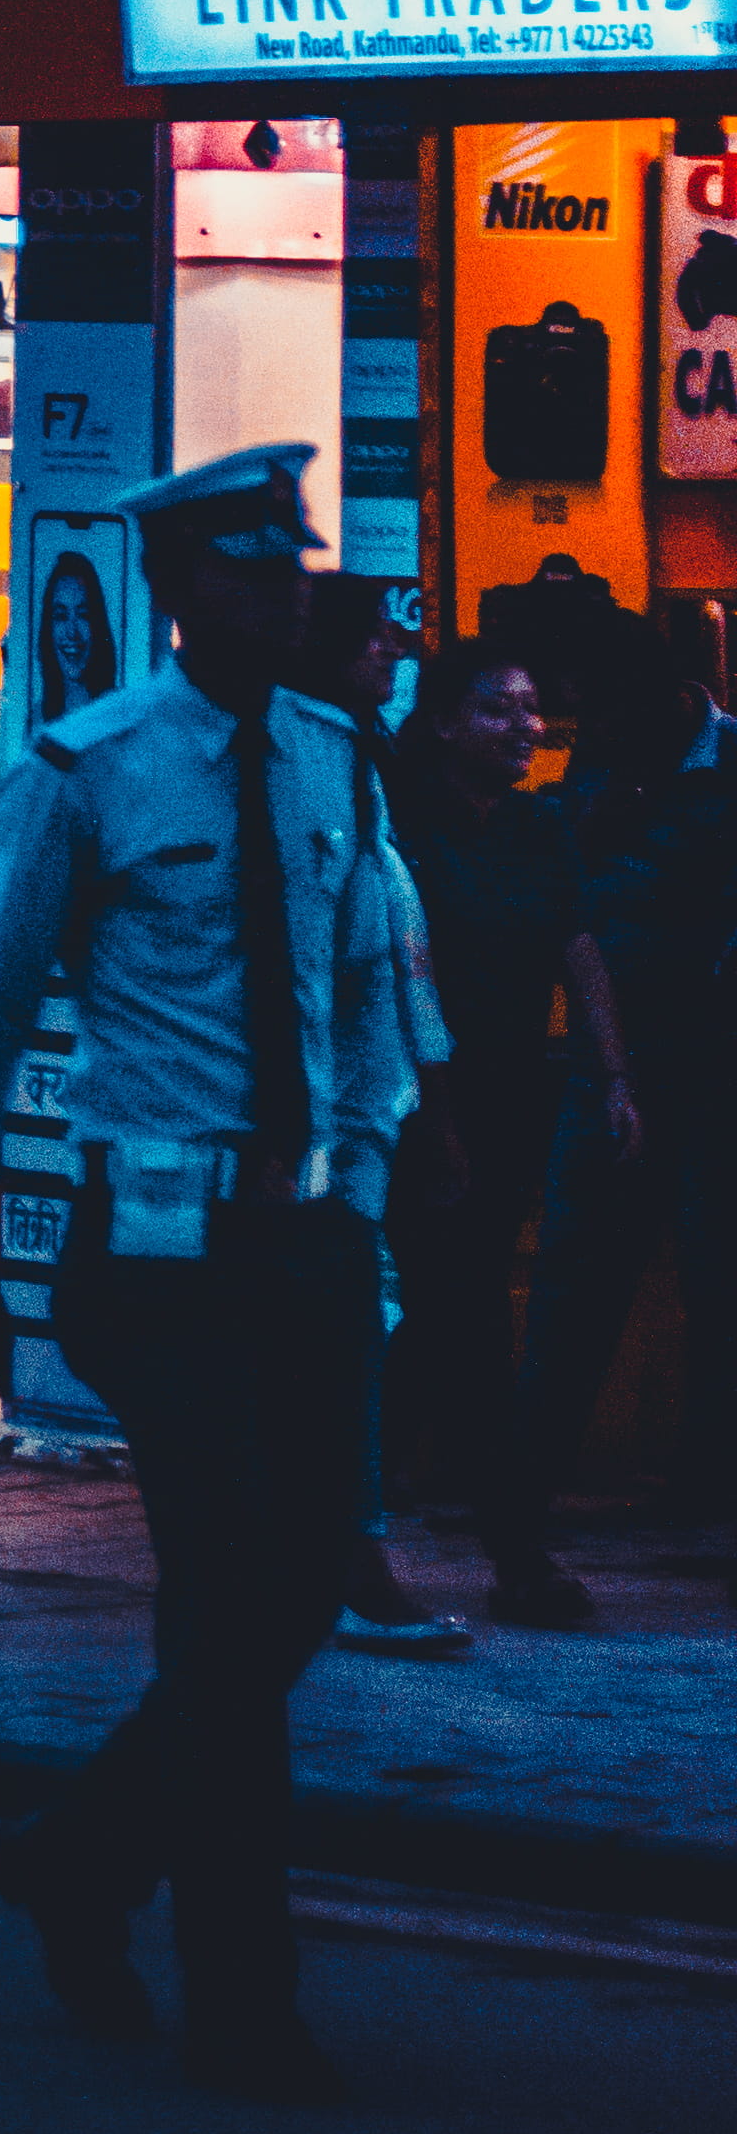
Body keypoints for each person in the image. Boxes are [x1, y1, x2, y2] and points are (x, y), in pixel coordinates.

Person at [0, 445, 420, 2106]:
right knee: (226, 1601)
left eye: (295, 562)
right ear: (182, 590)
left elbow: (365, 995)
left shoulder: (340, 759)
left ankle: (78, 1854)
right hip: (156, 1253)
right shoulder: (92, 766)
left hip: (303, 1239)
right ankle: (243, 2001)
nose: (289, 589)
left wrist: (365, 1179)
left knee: (287, 1596)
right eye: (254, 568)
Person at [381, 638, 634, 1625]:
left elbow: (580, 947)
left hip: (510, 1104)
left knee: (445, 1316)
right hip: (412, 1105)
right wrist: (433, 1120)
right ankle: (512, 1551)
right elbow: (403, 975)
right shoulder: (401, 827)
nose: (525, 727)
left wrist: (615, 1076)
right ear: (445, 723)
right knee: (461, 1321)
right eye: (500, 710)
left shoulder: (537, 825)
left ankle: (355, 1519)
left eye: (533, 709)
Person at [515, 616, 734, 1529]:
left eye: (598, 716)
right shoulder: (597, 771)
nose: (585, 734)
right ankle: (526, 1484)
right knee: (576, 1269)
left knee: (716, 1272)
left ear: (661, 697)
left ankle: (709, 1480)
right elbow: (567, 903)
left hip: (716, 1067)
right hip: (609, 1057)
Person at [288, 573, 468, 1659]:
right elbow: (373, 957)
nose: (394, 660)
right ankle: (351, 1561)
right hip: (323, 1117)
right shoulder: (311, 762)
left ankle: (337, 1554)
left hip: (363, 1108)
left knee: (357, 1327)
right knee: (349, 1333)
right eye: (379, 645)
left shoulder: (358, 758)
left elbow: (400, 958)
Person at [36, 550, 121, 721]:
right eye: (60, 616)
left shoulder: (120, 718)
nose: (72, 632)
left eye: (83, 615)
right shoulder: (36, 722)